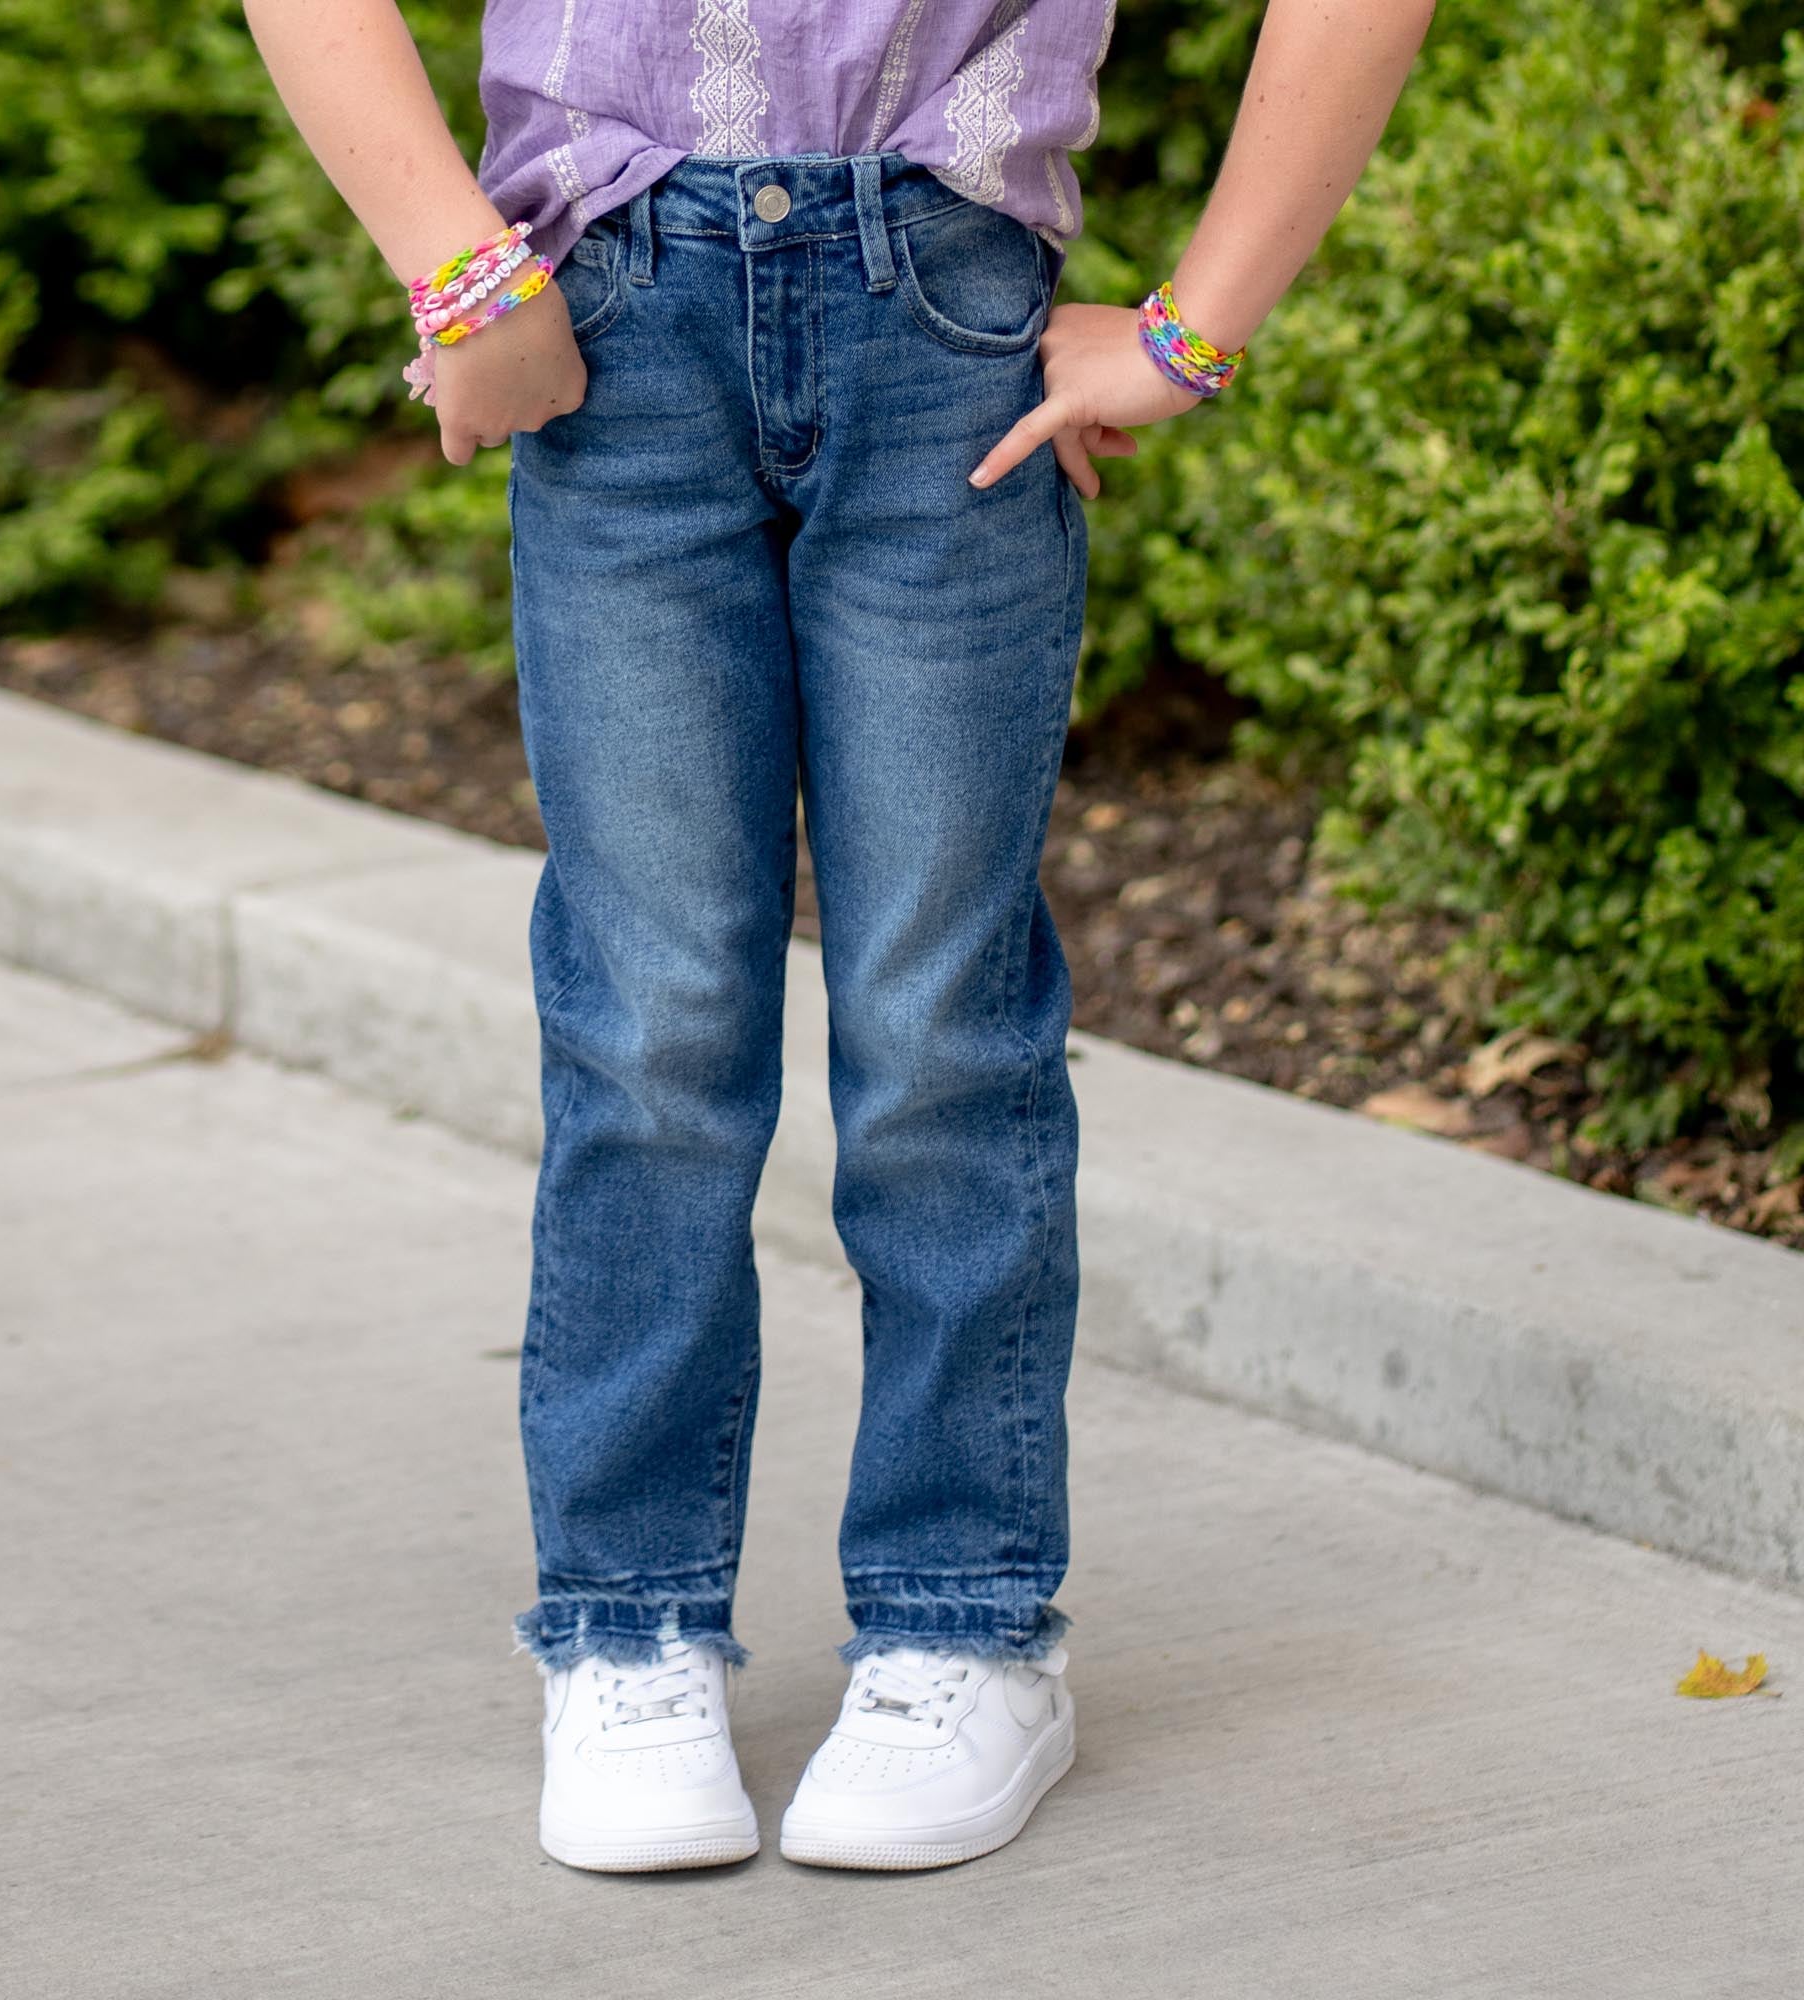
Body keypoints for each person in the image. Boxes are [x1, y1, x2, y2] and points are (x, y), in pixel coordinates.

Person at [243, 0, 1437, 1874]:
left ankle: (967, 1625)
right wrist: (459, 271)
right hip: (611, 316)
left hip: (944, 318)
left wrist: (1195, 330)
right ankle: (626, 1626)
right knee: (650, 1023)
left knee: (937, 1023)